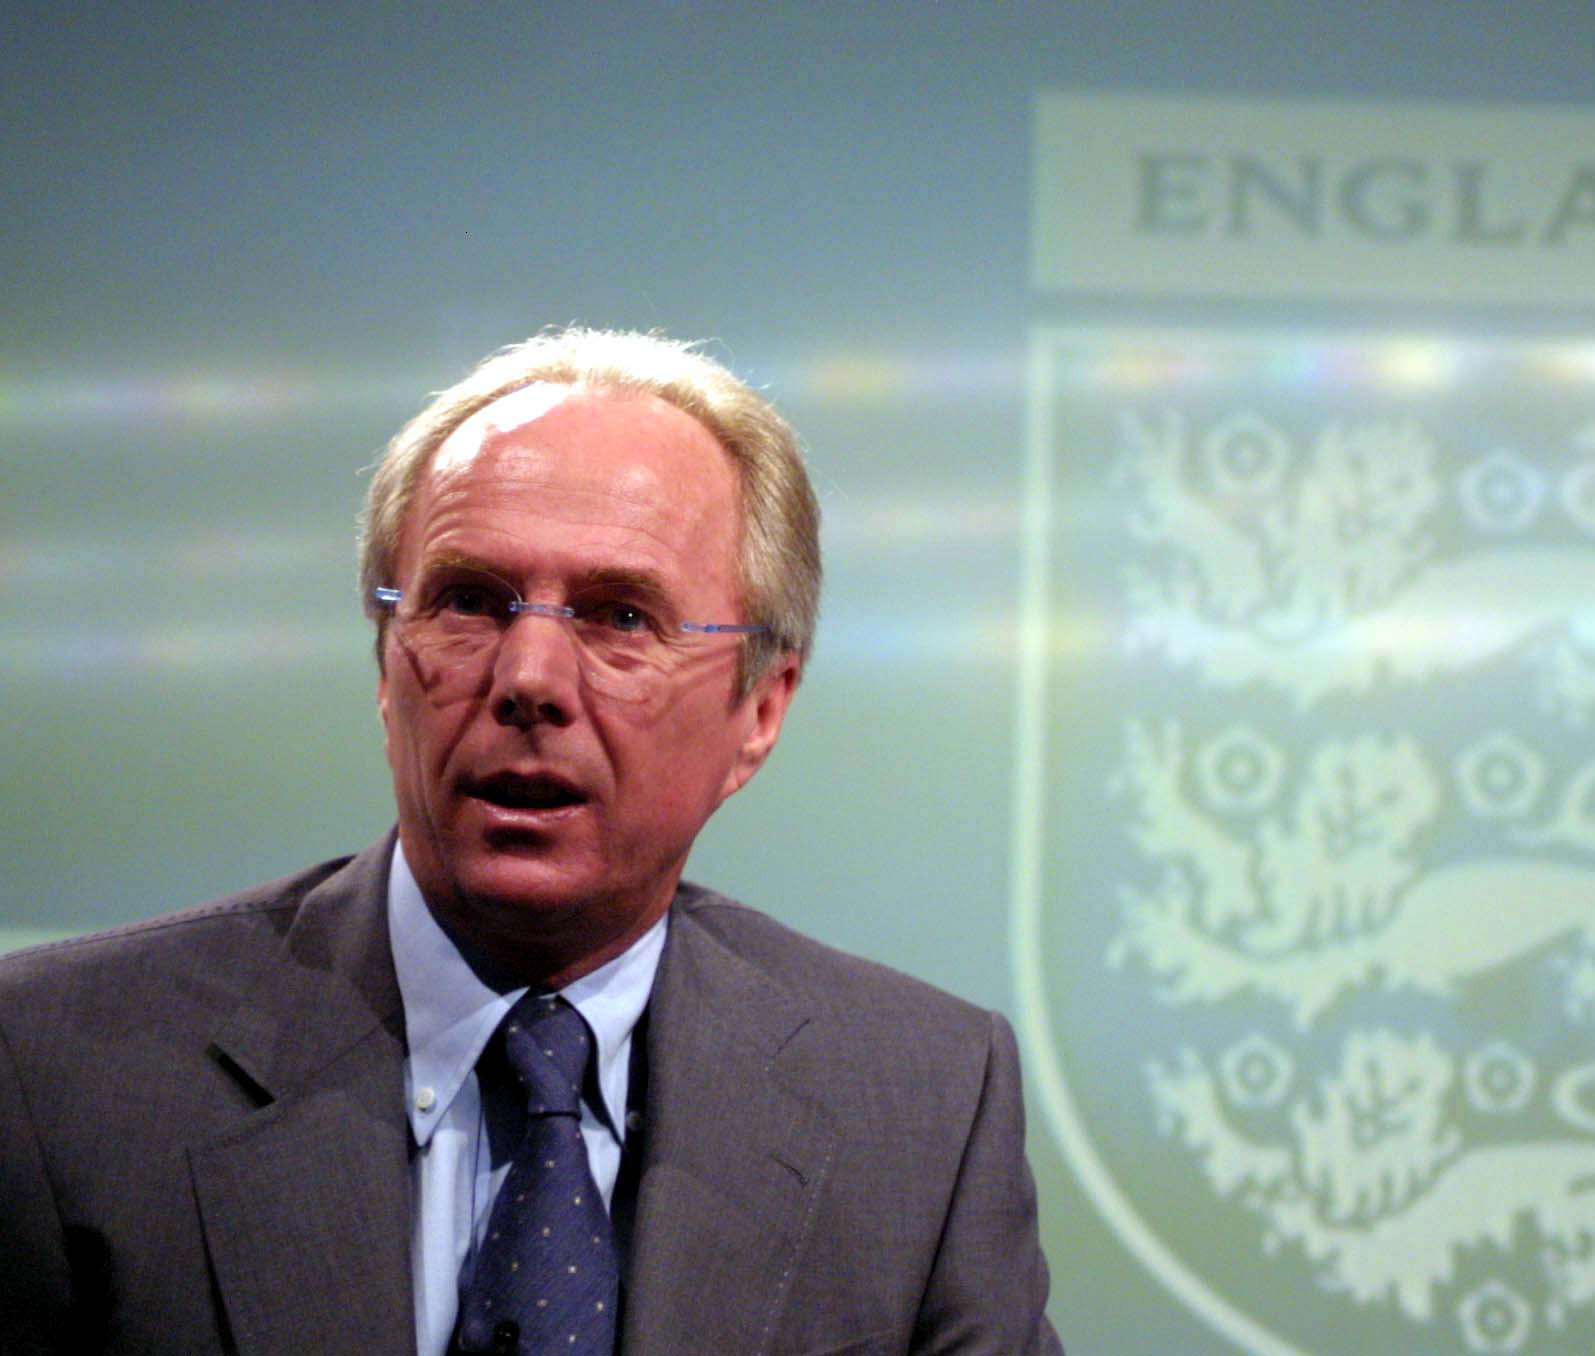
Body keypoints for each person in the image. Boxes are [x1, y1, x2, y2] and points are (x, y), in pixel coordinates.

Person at [0, 328, 1062, 1355]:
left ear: (760, 711)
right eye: (468, 601)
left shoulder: (922, 1109)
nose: (528, 681)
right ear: (386, 666)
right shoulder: (55, 1078)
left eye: (620, 617)